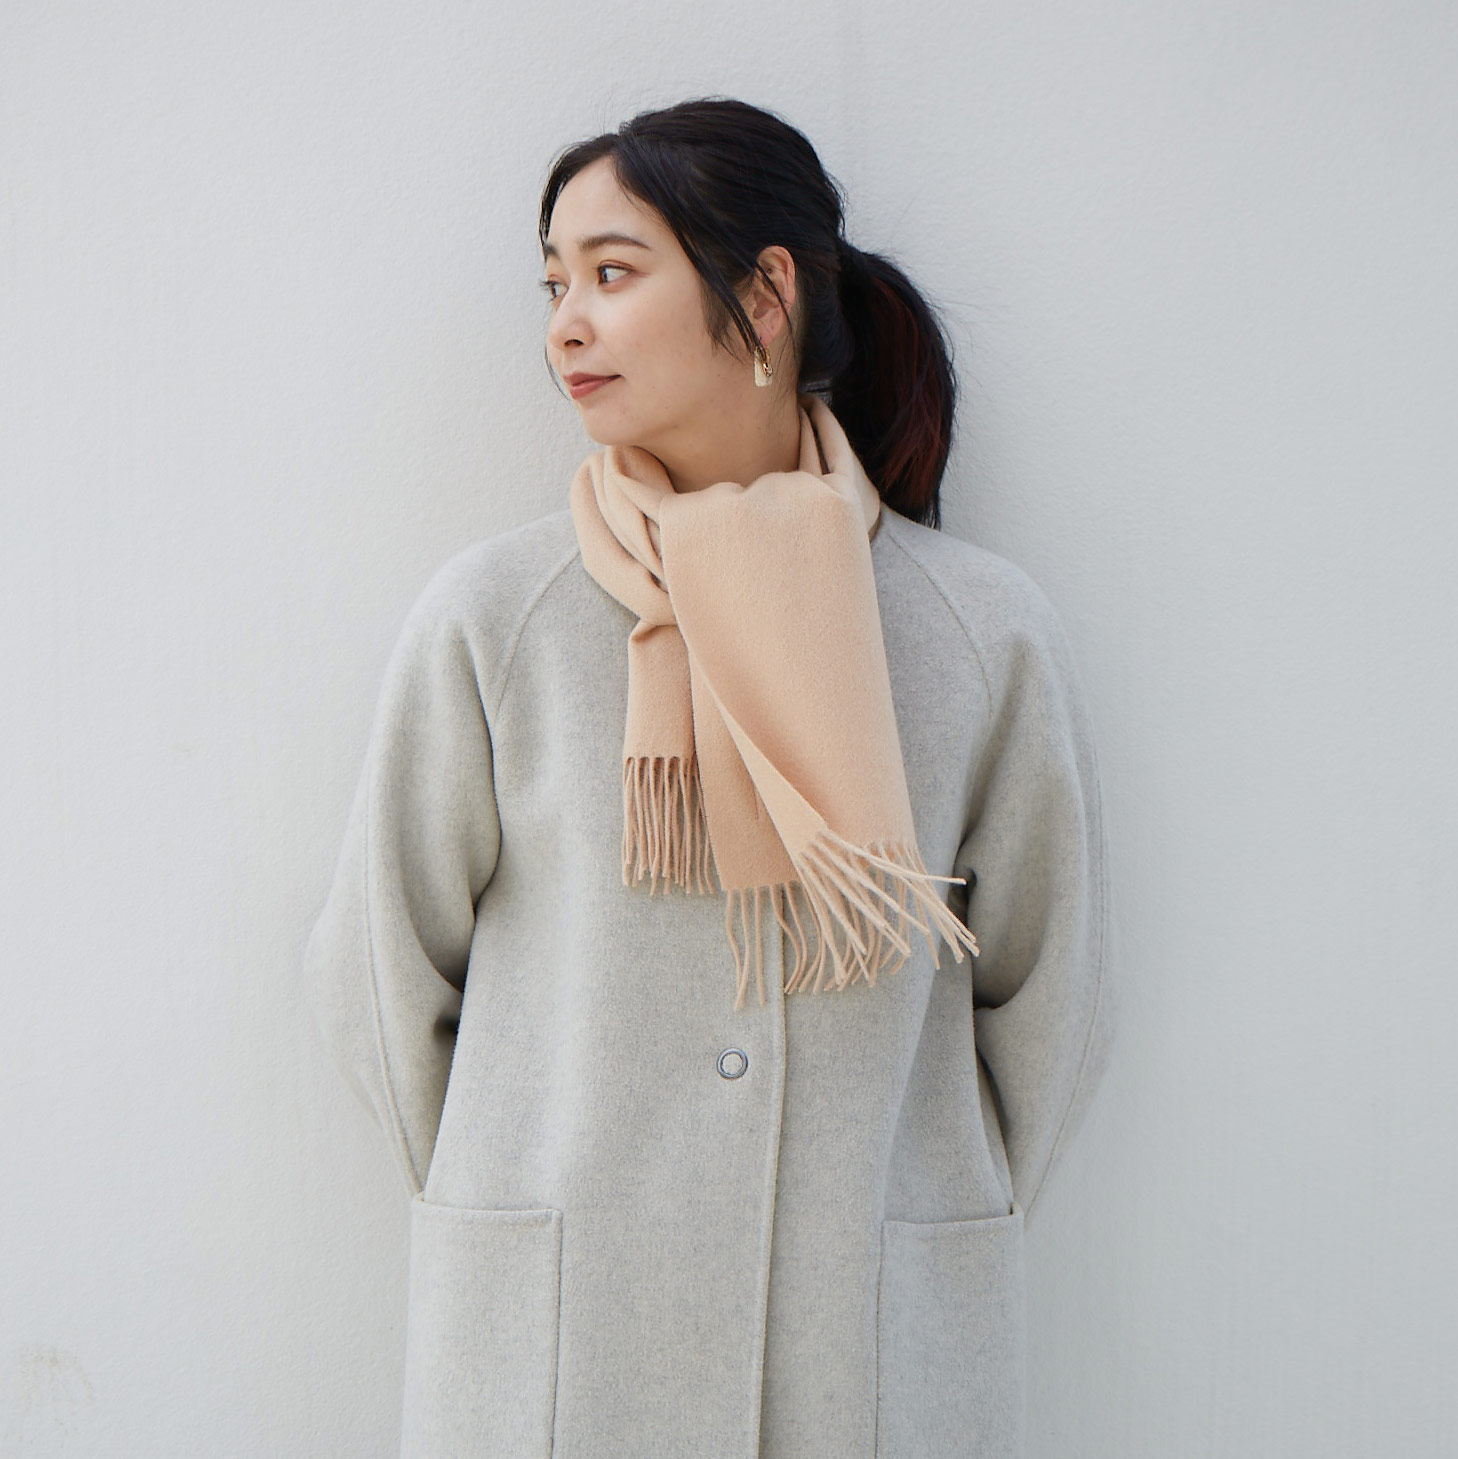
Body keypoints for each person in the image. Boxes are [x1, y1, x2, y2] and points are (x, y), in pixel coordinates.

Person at [305, 95, 1110, 1459]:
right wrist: (524, 1187)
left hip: (867, 1361)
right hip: (563, 1361)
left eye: (612, 273)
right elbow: (374, 976)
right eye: (554, 285)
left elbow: (1054, 997)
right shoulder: (498, 620)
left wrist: (914, 1201)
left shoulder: (975, 632)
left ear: (766, 295)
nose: (565, 324)